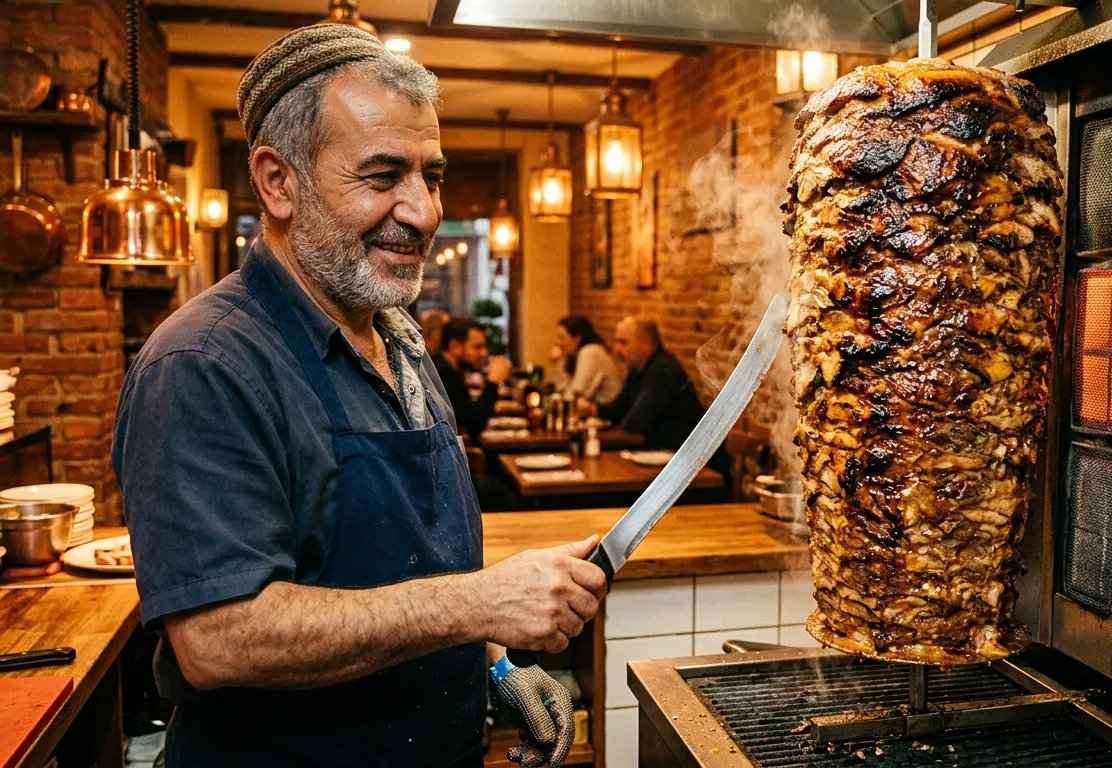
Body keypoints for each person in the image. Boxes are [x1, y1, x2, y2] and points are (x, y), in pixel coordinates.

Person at [111, 25, 603, 768]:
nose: (424, 212)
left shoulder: (398, 338)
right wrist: (480, 604)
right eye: (381, 177)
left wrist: (495, 658)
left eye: (431, 176)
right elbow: (219, 640)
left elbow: (415, 563)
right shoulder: (204, 363)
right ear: (278, 182)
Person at [581, 316, 707, 451]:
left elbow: (635, 423)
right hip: (661, 453)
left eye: (623, 343)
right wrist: (594, 409)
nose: (616, 349)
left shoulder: (662, 370)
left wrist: (621, 419)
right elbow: (618, 408)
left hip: (687, 458)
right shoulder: (637, 368)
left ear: (646, 345)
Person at [435, 316, 512, 438]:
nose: (484, 352)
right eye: (477, 347)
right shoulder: (444, 374)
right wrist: (493, 382)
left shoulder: (448, 370)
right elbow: (474, 422)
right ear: (455, 346)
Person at [552, 315, 621, 405]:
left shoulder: (590, 352)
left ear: (577, 338)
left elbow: (576, 394)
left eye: (562, 338)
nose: (558, 342)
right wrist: (559, 362)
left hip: (608, 414)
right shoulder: (577, 355)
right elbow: (562, 390)